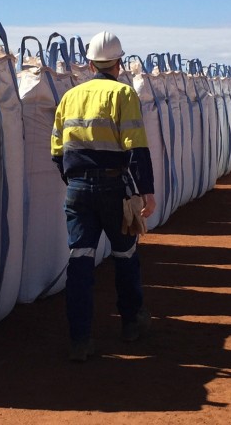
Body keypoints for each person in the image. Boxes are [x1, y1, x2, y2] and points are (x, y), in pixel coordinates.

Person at [50, 30, 157, 362]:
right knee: (125, 256)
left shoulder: (71, 96)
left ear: (89, 62)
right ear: (119, 63)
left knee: (80, 263)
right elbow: (136, 146)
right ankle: (131, 323)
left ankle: (80, 340)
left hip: (78, 190)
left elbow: (56, 150)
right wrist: (146, 191)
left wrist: (75, 181)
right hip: (115, 191)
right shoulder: (124, 94)